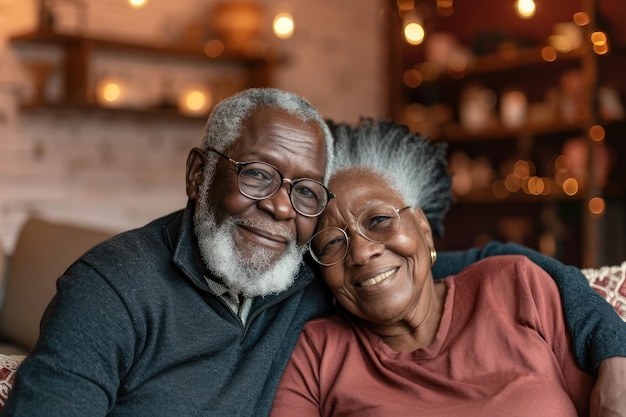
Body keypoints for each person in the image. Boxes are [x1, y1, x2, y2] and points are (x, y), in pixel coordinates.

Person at [1, 90, 624, 417]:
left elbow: (481, 267)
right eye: (255, 175)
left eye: (302, 191)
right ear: (198, 174)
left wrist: (616, 353)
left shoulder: (310, 267)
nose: (278, 208)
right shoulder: (111, 290)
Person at [271, 119, 626, 417]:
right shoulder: (315, 354)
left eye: (379, 220)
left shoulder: (518, 284)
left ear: (423, 229)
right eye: (333, 243)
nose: (362, 252)